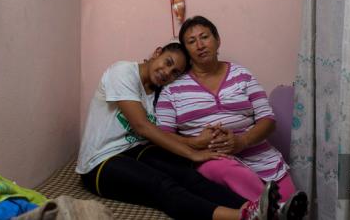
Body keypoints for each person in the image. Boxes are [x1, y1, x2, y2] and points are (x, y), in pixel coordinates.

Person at [76, 42, 281, 220]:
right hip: (100, 161)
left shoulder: (157, 93)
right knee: (161, 185)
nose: (167, 73)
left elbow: (161, 134)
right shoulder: (122, 72)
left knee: (188, 175)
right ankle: (242, 217)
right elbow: (142, 127)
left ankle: (256, 208)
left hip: (135, 151)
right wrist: (193, 152)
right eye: (168, 62)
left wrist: (196, 143)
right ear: (157, 53)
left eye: (175, 72)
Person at [156, 16, 308, 220]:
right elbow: (163, 136)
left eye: (205, 37)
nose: (200, 45)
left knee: (297, 210)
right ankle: (276, 211)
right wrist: (196, 143)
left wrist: (241, 141)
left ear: (217, 40)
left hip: (262, 158)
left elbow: (268, 120)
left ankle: (276, 211)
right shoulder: (172, 90)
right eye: (191, 42)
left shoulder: (242, 75)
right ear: (186, 50)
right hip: (214, 159)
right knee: (226, 169)